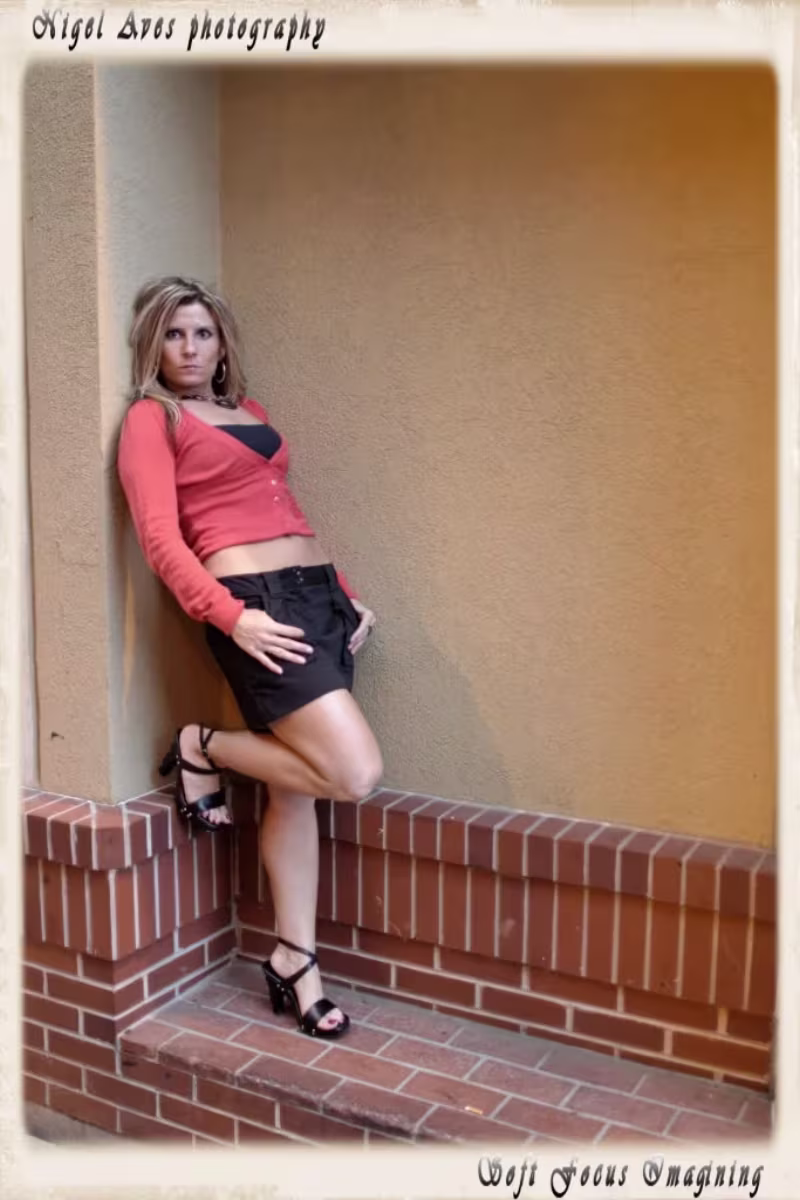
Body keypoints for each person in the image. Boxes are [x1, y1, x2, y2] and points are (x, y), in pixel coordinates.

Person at [117, 277, 383, 1039]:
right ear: (153, 346)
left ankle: (296, 960)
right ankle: (203, 747)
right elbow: (161, 540)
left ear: (222, 343)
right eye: (173, 335)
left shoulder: (251, 413)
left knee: (295, 790)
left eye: (202, 333)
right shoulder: (152, 418)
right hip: (257, 611)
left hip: (316, 601)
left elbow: (286, 512)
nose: (189, 349)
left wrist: (345, 594)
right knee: (353, 774)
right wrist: (234, 619)